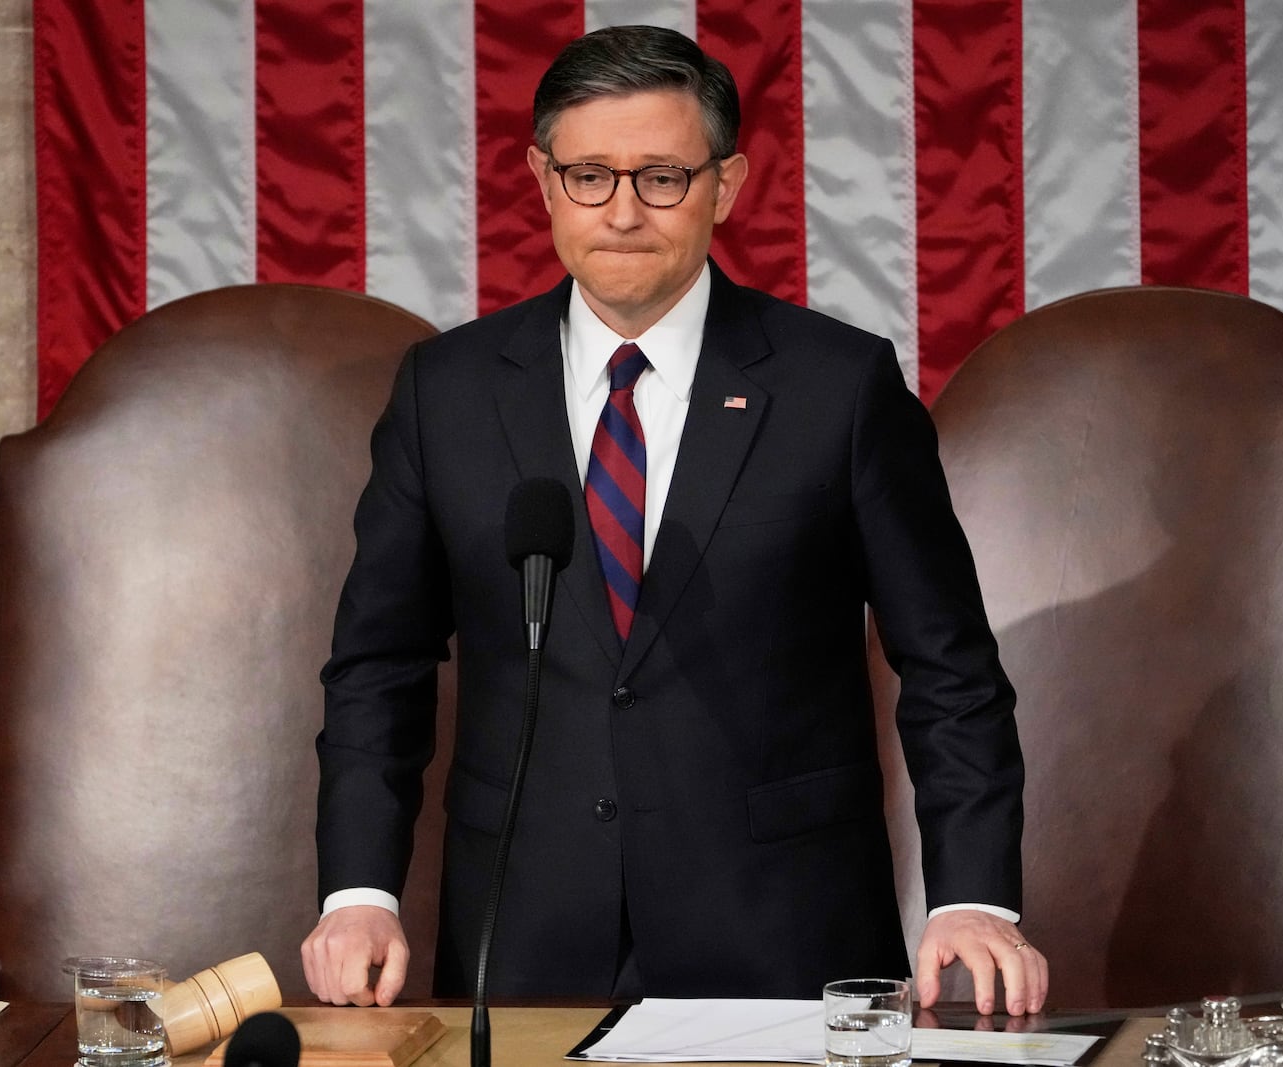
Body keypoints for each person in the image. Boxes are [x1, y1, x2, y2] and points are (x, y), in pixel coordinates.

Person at [301, 24, 1047, 1016]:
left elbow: (951, 670)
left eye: (660, 176)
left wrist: (973, 895)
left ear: (725, 184)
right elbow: (376, 669)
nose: (622, 211)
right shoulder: (447, 392)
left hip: (785, 934)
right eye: (589, 176)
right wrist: (359, 891)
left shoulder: (839, 387)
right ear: (541, 178)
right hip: (524, 940)